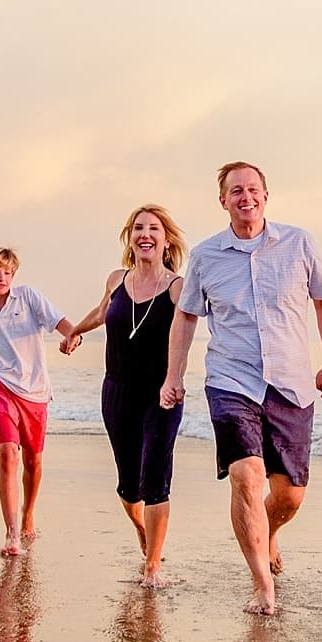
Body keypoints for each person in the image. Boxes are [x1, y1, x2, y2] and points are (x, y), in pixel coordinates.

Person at [162, 162, 322, 616]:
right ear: (223, 200)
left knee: (289, 496)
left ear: (266, 195)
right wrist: (173, 376)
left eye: (253, 189)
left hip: (290, 382)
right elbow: (186, 316)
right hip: (231, 379)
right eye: (236, 191)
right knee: (246, 476)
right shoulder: (206, 256)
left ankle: (269, 530)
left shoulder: (299, 243)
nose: (246, 197)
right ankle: (262, 583)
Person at [61, 205, 188, 587]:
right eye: (138, 228)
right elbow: (102, 312)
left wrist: (175, 378)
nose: (145, 234)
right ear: (130, 238)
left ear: (167, 241)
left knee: (155, 478)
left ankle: (153, 566)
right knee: (128, 484)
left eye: (154, 229)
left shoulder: (177, 287)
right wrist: (75, 331)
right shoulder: (117, 280)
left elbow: (186, 334)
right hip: (117, 391)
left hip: (161, 394)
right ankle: (143, 531)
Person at [0, 246, 79, 557]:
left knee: (33, 461)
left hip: (35, 391)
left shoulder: (28, 297)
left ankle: (29, 513)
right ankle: (12, 532)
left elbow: (64, 325)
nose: (1, 278)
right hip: (0, 388)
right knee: (7, 455)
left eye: (7, 272)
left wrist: (72, 338)